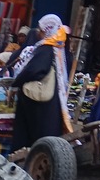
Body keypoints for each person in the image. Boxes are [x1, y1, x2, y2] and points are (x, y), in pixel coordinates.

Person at [10, 14, 71, 151]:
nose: (38, 32)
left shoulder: (46, 48)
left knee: (33, 134)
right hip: (53, 99)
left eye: (41, 30)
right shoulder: (60, 46)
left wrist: (17, 82)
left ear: (48, 30)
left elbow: (35, 70)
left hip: (40, 102)